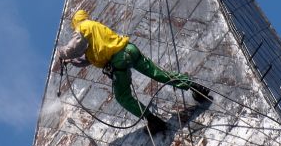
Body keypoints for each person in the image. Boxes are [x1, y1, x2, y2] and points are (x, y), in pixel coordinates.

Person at [58, 9, 211, 135]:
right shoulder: (96, 29)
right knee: (159, 74)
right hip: (130, 49)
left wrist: (61, 53)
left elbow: (73, 48)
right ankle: (195, 87)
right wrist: (71, 61)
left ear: (76, 22)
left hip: (118, 61)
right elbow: (88, 58)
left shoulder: (82, 27)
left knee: (123, 97)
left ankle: (153, 121)